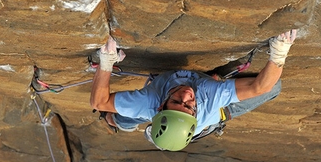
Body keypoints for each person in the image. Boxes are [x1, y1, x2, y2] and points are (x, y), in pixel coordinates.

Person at [90, 30, 297, 151]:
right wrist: (279, 53)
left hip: (154, 110)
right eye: (189, 106)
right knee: (274, 86)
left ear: (162, 105)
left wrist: (106, 63)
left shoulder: (148, 101)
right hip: (216, 110)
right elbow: (261, 86)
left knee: (128, 114)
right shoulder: (211, 97)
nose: (186, 96)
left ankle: (115, 121)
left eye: (177, 102)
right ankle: (123, 121)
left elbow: (99, 102)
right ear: (195, 112)